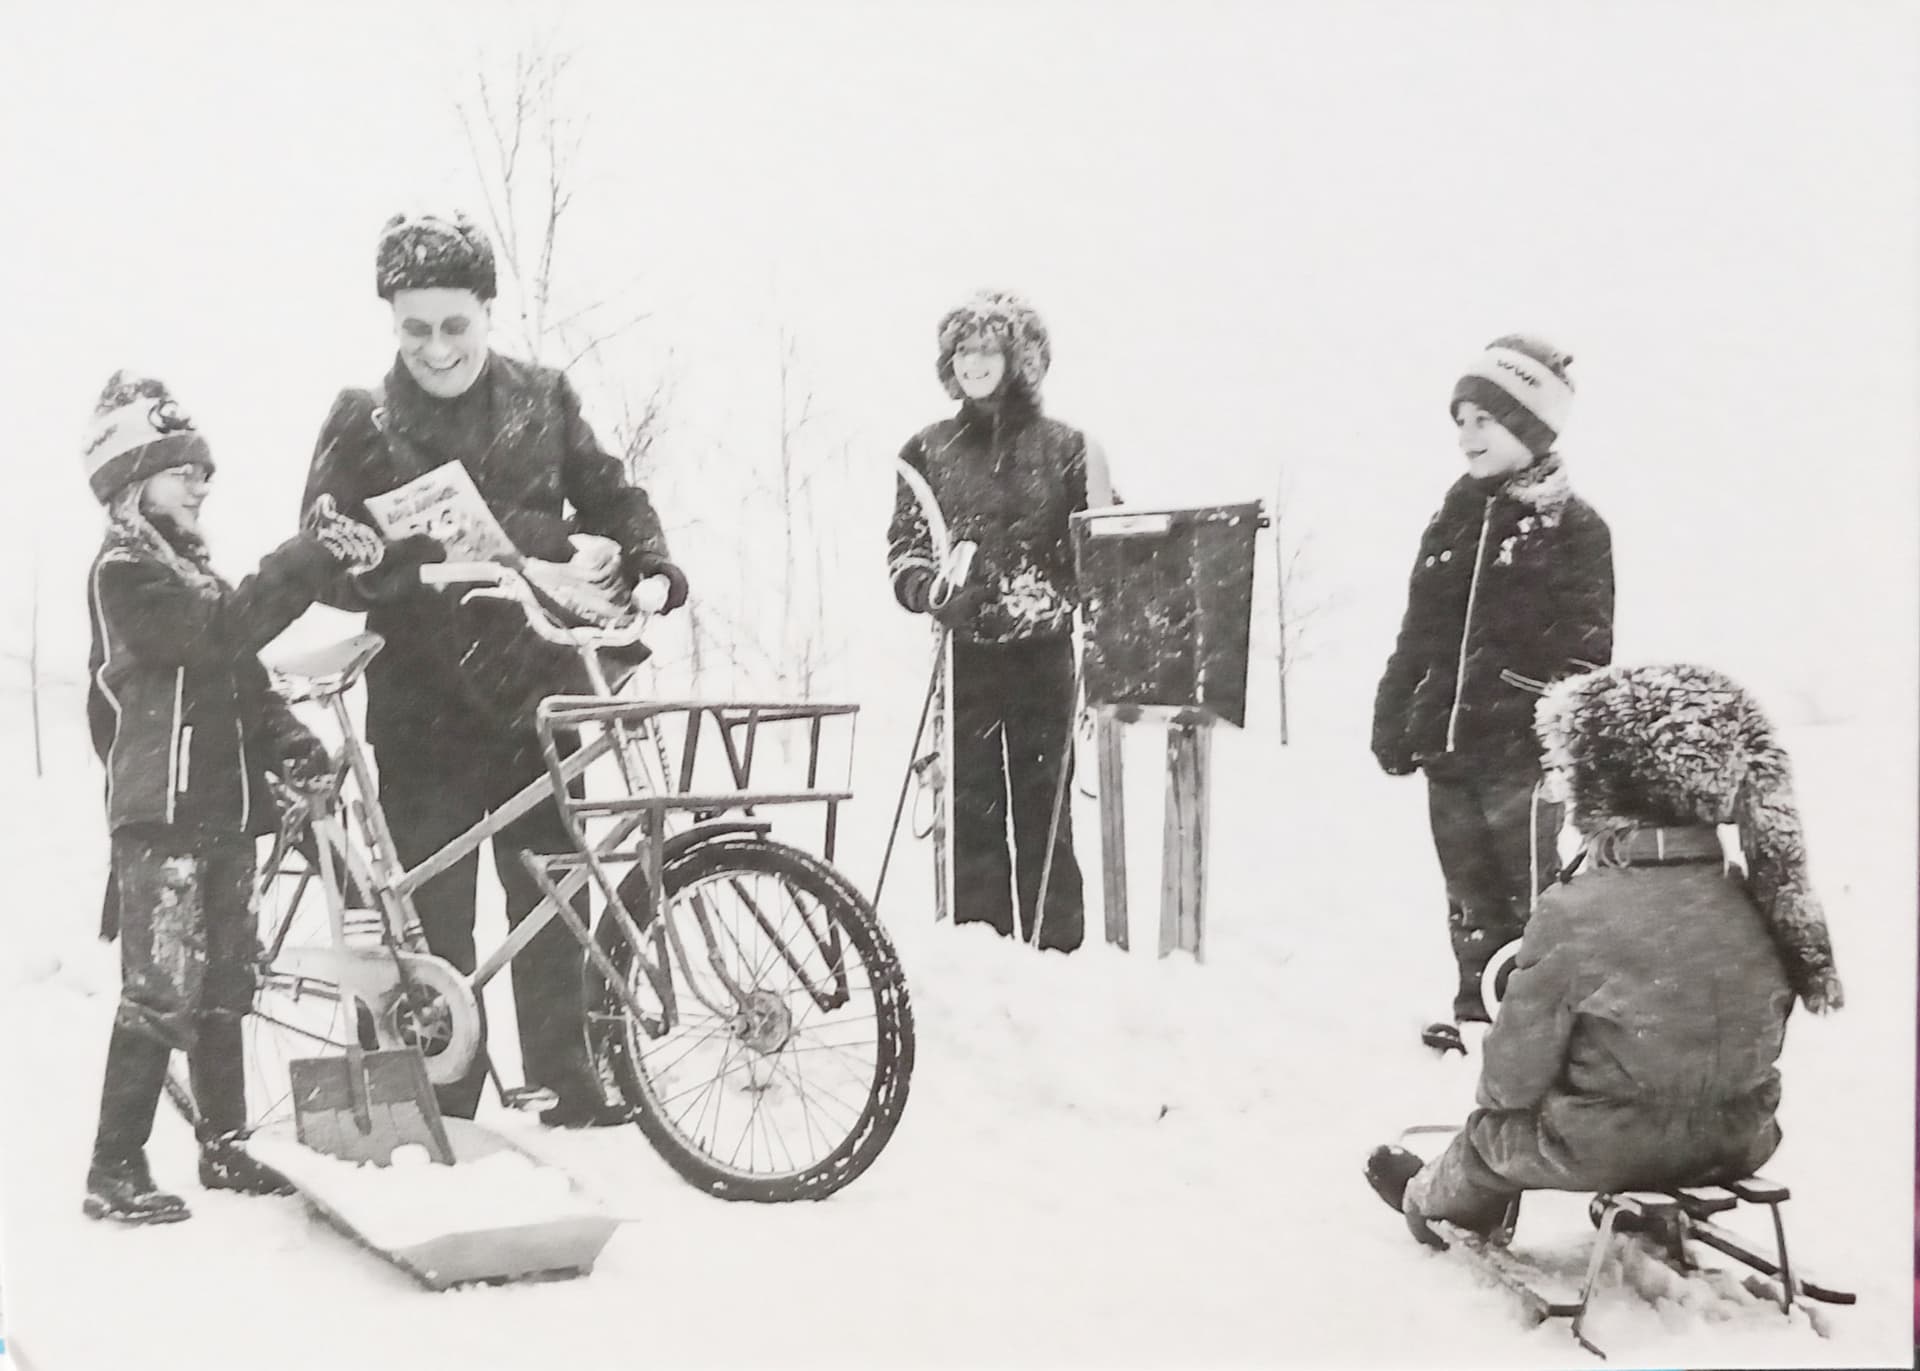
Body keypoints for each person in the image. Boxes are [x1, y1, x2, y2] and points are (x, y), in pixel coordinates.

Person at [301, 211, 688, 1126]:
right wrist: (400, 566)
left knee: (552, 886)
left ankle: (566, 1075)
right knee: (434, 912)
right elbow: (321, 549)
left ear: (486, 310)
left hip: (538, 688)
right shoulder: (363, 419)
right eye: (415, 328)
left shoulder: (542, 396)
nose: (436, 348)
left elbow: (611, 492)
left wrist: (651, 560)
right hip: (424, 698)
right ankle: (441, 1100)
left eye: (454, 325)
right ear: (392, 320)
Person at [1364, 663, 1844, 1246]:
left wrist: (1521, 1099)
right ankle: (1656, 1200)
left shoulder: (1576, 911)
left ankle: (1429, 1204)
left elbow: (1510, 1081)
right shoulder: (1755, 900)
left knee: (1488, 1136)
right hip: (1743, 1140)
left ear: (1599, 789)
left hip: (1602, 1148)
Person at [81, 372, 398, 1223]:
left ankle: (226, 1142)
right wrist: (306, 557)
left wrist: (293, 742)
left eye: (203, 472)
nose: (201, 485)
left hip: (224, 810)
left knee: (228, 978)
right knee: (161, 988)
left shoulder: (195, 574)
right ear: (131, 482)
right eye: (181, 471)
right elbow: (217, 636)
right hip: (161, 816)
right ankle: (114, 1166)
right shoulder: (124, 574)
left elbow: (243, 678)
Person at [1369, 335, 1614, 1045]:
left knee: (1533, 895)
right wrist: (1396, 707)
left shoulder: (1574, 528)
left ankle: (1542, 1030)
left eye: (1485, 419)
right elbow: (1419, 629)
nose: (1466, 435)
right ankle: (1477, 1016)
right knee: (1469, 896)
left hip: (1520, 754)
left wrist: (1547, 729)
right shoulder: (1451, 519)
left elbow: (1588, 655)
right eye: (1461, 419)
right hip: (1446, 747)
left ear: (1531, 428)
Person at [886, 289, 1115, 953]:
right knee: (972, 810)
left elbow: (1105, 548)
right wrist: (931, 591)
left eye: (989, 349)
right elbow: (905, 547)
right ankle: (980, 956)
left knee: (1047, 809)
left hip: (1044, 657)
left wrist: (1062, 591)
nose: (975, 362)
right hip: (967, 659)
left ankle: (1057, 952)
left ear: (1021, 360)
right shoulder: (927, 449)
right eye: (964, 350)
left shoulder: (1069, 448)